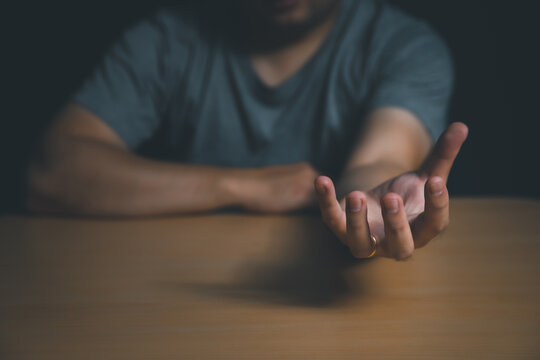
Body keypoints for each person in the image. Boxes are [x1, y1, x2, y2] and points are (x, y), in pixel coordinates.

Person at [25, 0, 468, 261]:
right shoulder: (166, 38)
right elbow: (51, 171)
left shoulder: (402, 44)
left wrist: (376, 197)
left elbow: (380, 158)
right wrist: (242, 185)